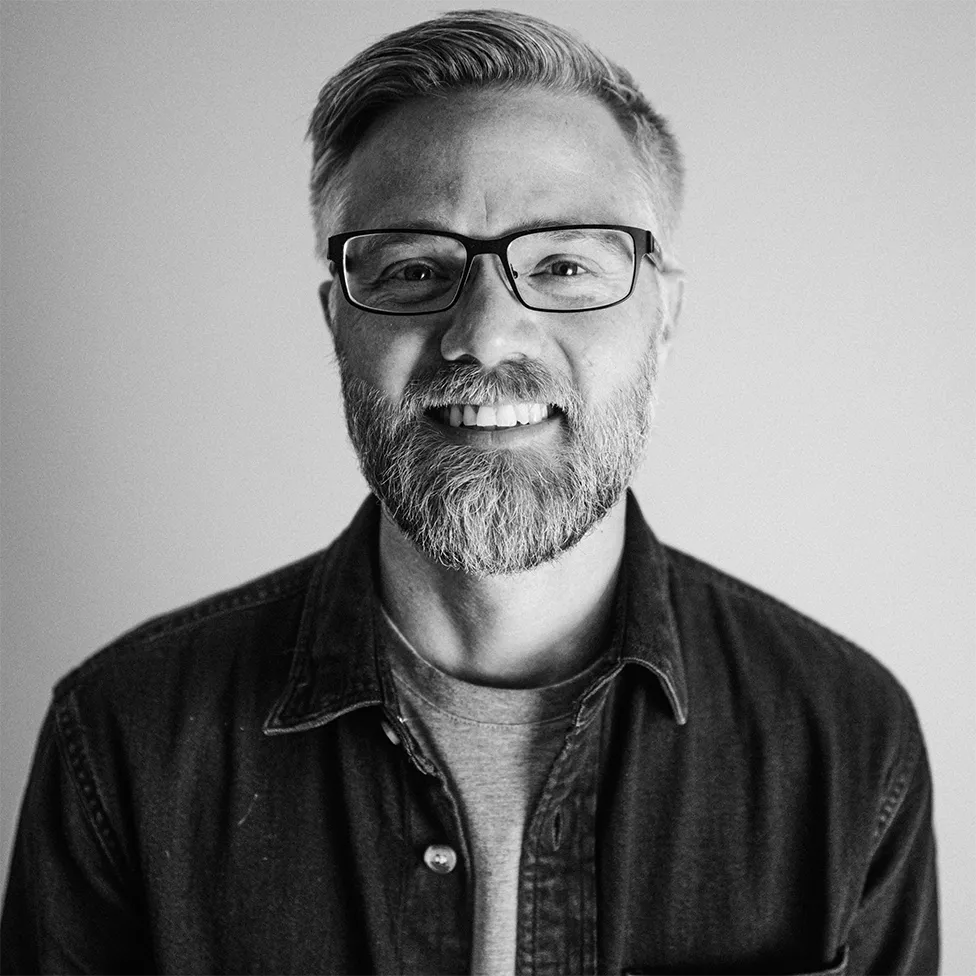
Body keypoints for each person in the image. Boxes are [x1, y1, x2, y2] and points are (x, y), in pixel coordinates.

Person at [0, 9, 938, 974]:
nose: (487, 336)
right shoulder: (122, 741)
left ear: (665, 317)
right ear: (336, 320)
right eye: (414, 269)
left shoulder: (847, 744)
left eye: (565, 265)